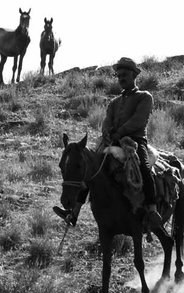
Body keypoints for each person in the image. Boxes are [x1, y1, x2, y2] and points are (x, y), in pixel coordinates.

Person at [53, 57, 162, 228]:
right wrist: (107, 132)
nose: (121, 78)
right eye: (118, 75)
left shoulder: (144, 97)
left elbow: (138, 121)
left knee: (144, 167)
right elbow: (106, 121)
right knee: (91, 168)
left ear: (134, 75)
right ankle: (74, 213)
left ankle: (152, 209)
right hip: (112, 141)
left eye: (124, 75)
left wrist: (119, 132)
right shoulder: (114, 102)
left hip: (135, 141)